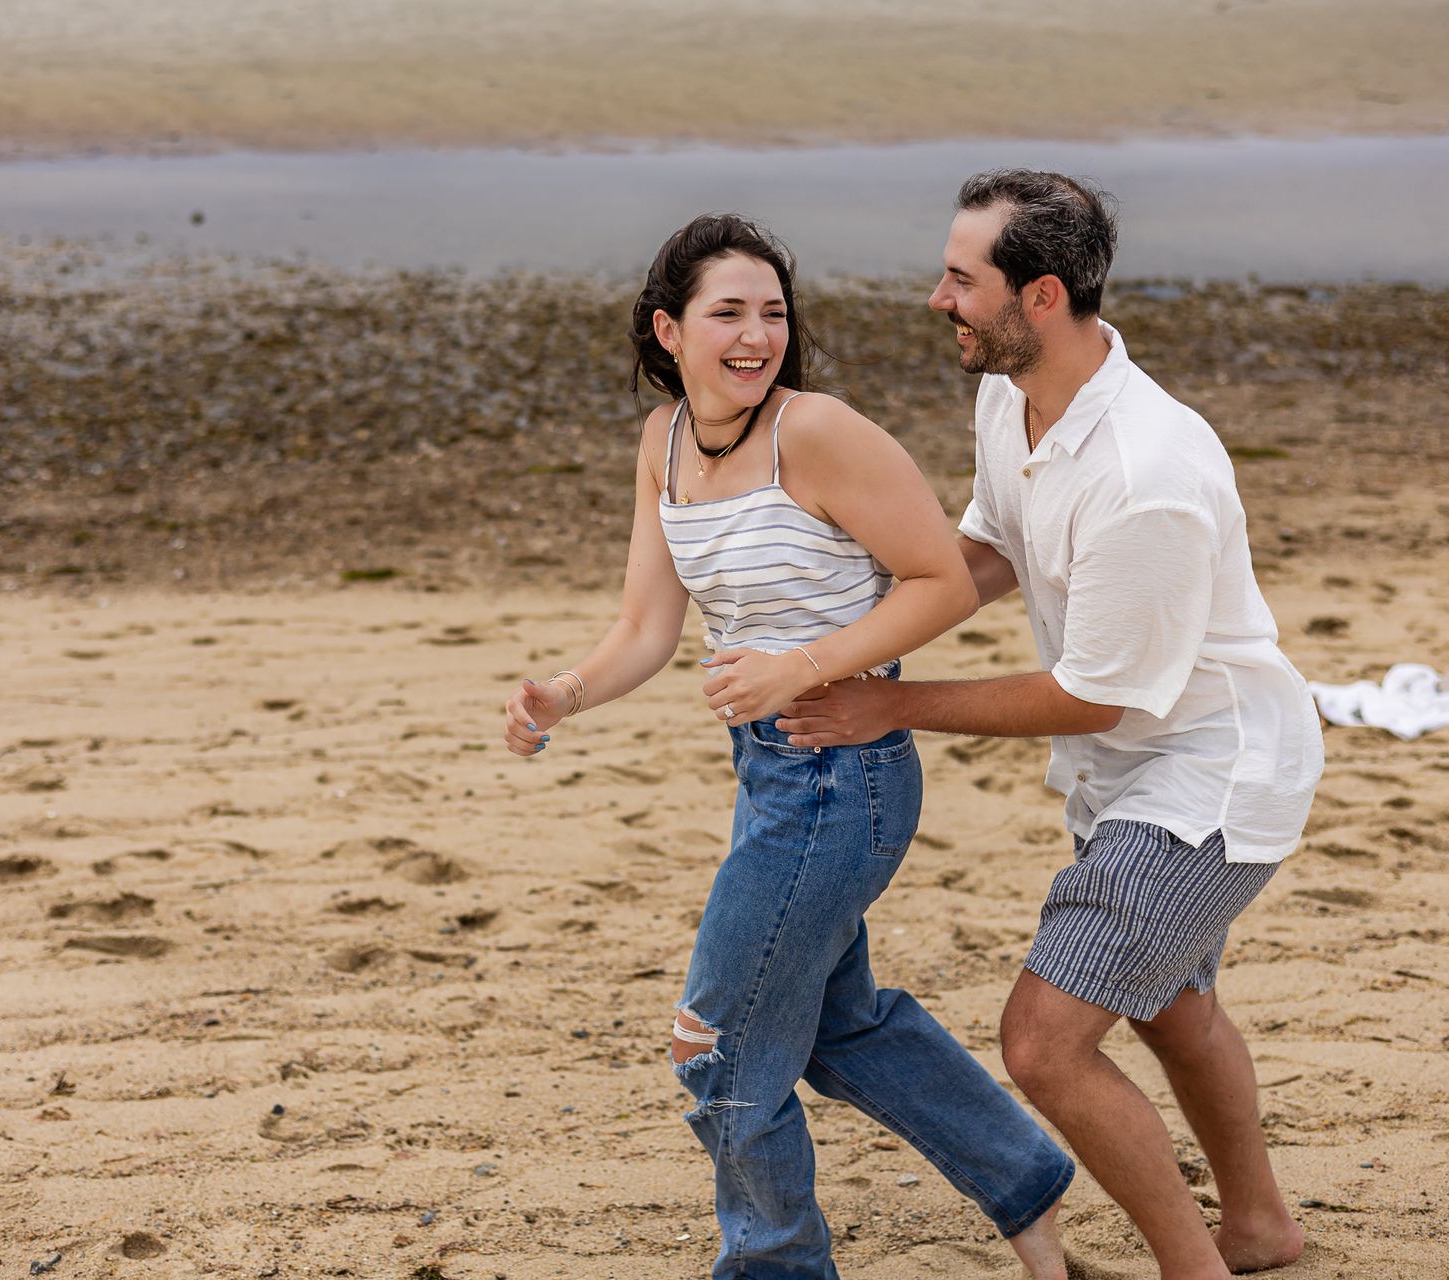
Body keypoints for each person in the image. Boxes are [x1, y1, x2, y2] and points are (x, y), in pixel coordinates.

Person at [772, 170, 1324, 1279]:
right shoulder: (1014, 394)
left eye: (961, 280)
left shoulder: (1147, 473)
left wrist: (891, 704)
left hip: (1210, 778)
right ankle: (1259, 1225)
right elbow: (989, 551)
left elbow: (1092, 695)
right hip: (1129, 767)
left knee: (1043, 1043)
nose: (938, 298)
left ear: (1042, 296)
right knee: (1170, 1007)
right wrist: (844, 637)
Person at [502, 213, 1075, 1279]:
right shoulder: (665, 439)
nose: (757, 334)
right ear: (670, 329)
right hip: (770, 775)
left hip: (843, 777)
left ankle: (776, 1266)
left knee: (715, 1047)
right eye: (728, 312)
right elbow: (647, 626)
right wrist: (564, 694)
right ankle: (1028, 1194)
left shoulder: (816, 431)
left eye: (773, 312)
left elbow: (942, 583)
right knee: (839, 1026)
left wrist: (799, 667)